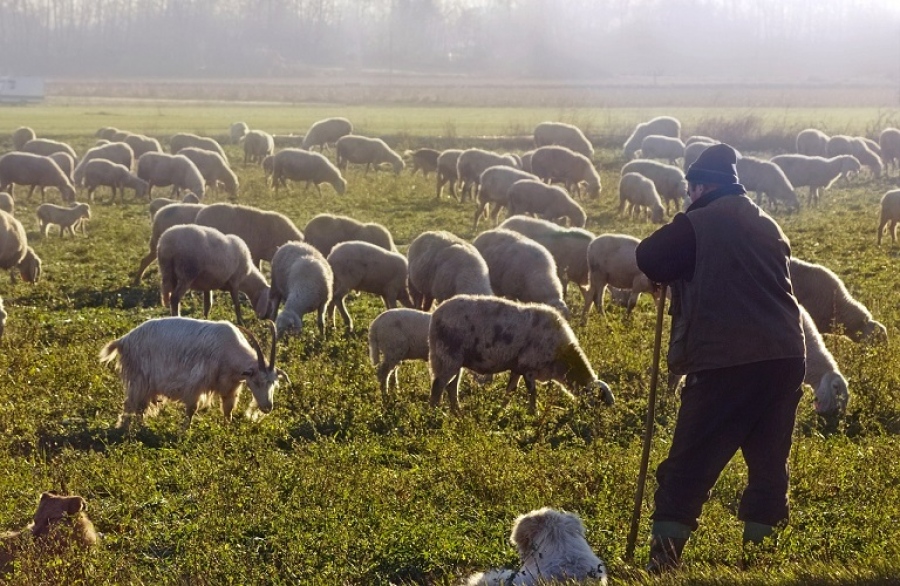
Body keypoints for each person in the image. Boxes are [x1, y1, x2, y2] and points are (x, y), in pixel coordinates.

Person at [635, 143, 806, 572]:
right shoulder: (767, 223)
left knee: (689, 462)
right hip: (785, 357)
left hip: (728, 359)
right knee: (769, 463)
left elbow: (649, 256)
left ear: (700, 186)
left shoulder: (700, 221)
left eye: (690, 190)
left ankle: (663, 563)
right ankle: (759, 563)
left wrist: (681, 230)